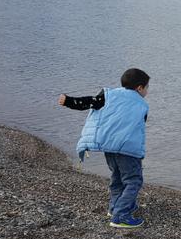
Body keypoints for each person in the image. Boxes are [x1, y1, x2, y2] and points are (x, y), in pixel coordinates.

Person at [58, 68, 150, 229]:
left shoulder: (110, 95)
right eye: (147, 87)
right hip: (128, 150)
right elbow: (140, 128)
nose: (147, 91)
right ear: (139, 88)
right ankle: (121, 215)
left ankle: (115, 207)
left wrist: (68, 101)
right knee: (133, 181)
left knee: (117, 177)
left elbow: (89, 102)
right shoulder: (141, 104)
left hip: (109, 147)